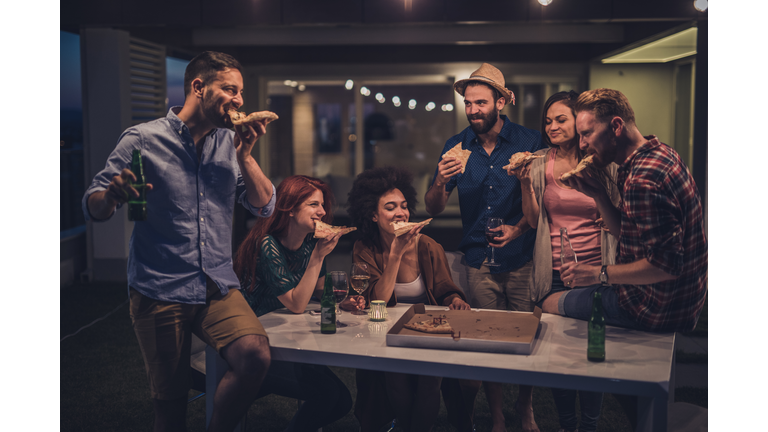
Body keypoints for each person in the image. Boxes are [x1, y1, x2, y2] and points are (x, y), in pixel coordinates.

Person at [83, 51, 275, 432]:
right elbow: (93, 205)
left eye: (240, 92)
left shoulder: (228, 142)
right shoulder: (142, 139)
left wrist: (246, 156)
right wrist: (112, 196)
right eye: (229, 89)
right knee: (171, 407)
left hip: (217, 285)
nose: (239, 100)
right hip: (160, 286)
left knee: (254, 355)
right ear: (198, 87)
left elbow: (265, 206)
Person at [424, 63, 544, 432]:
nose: (473, 110)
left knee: (528, 339)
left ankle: (524, 408)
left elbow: (542, 207)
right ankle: (495, 417)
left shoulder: (531, 143)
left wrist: (517, 229)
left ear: (501, 102)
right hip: (478, 260)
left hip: (522, 257)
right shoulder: (455, 147)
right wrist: (442, 182)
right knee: (487, 342)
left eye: (480, 102)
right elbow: (432, 207)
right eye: (468, 103)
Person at [545, 88, 707, 333]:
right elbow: (632, 237)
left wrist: (597, 274)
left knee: (547, 303)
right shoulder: (660, 153)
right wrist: (599, 194)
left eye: (587, 133)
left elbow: (665, 266)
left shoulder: (643, 180)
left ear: (616, 126)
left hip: (649, 308)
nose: (582, 144)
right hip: (680, 302)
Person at [509, 91, 620, 432]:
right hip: (554, 270)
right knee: (558, 356)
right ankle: (567, 424)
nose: (552, 126)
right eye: (547, 120)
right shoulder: (540, 161)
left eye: (560, 119)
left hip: (597, 269)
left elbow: (618, 214)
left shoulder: (604, 160)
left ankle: (589, 424)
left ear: (579, 121)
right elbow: (533, 218)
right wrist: (526, 182)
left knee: (591, 351)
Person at [347, 166, 478, 432]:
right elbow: (376, 302)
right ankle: (405, 426)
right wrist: (395, 254)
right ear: (373, 214)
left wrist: (454, 299)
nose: (401, 213)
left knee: (431, 379)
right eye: (390, 207)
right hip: (387, 332)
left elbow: (445, 289)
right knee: (395, 375)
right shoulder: (365, 249)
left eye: (404, 206)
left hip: (430, 332)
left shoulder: (427, 245)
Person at [233, 175, 354, 431]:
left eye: (322, 205)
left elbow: (319, 288)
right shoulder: (267, 244)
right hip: (257, 347)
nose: (322, 212)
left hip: (287, 337)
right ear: (289, 208)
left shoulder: (311, 240)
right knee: (328, 396)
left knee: (343, 402)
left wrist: (345, 299)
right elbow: (296, 304)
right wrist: (318, 257)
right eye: (313, 204)